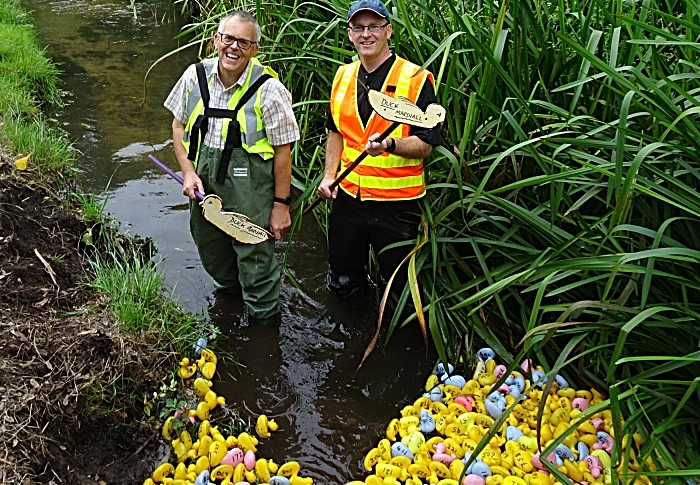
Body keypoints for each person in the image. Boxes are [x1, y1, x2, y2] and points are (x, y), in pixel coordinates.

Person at [164, 10, 300, 321]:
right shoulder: (194, 77)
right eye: (228, 38)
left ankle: (263, 330)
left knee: (254, 257)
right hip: (204, 182)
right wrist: (187, 171)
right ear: (216, 41)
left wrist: (281, 205)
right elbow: (178, 126)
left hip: (250, 187)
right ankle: (229, 302)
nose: (233, 47)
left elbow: (283, 151)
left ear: (254, 49)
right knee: (210, 247)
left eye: (243, 42)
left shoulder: (269, 90)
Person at [317, 0, 442, 306]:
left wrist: (390, 145)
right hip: (348, 197)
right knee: (343, 282)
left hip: (397, 206)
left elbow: (426, 144)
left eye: (374, 26)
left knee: (400, 292)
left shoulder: (415, 79)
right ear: (349, 34)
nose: (366, 34)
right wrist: (329, 176)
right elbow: (336, 132)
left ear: (388, 31)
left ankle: (398, 343)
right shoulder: (342, 76)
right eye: (358, 27)